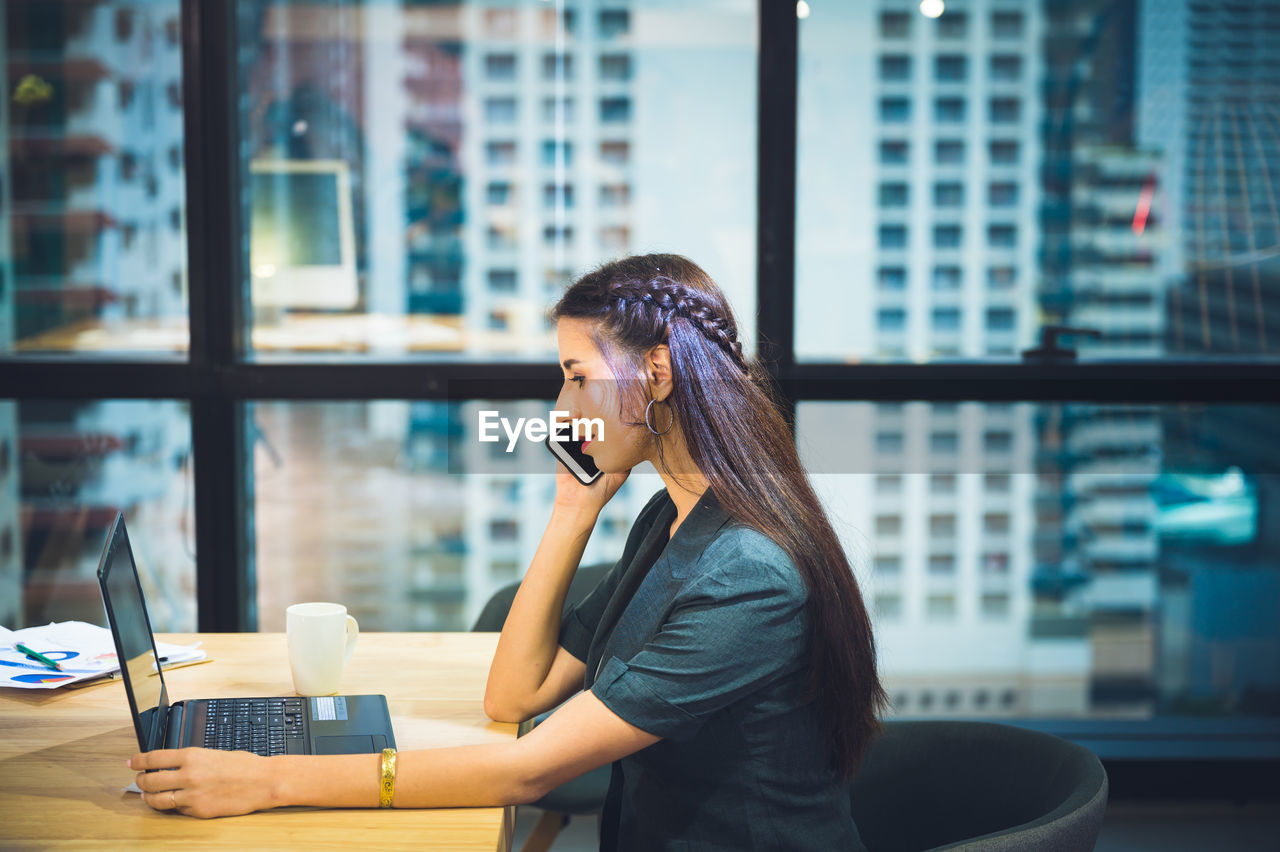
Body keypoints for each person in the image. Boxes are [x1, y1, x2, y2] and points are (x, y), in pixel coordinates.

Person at [129, 254, 889, 851]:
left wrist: (270, 781)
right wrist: (574, 509)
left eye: (576, 377)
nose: (561, 411)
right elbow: (514, 696)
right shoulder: (669, 518)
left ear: (656, 374)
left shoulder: (746, 575)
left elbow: (529, 770)